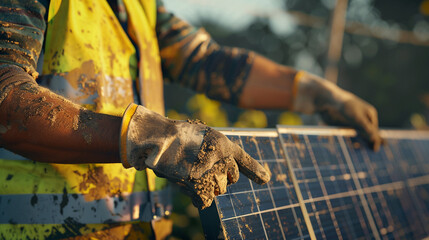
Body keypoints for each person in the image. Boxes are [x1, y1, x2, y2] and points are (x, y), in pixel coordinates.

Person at [0, 0, 382, 239]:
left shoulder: (140, 6)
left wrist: (315, 91)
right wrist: (151, 138)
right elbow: (5, 96)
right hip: (39, 229)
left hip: (139, 229)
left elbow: (208, 62)